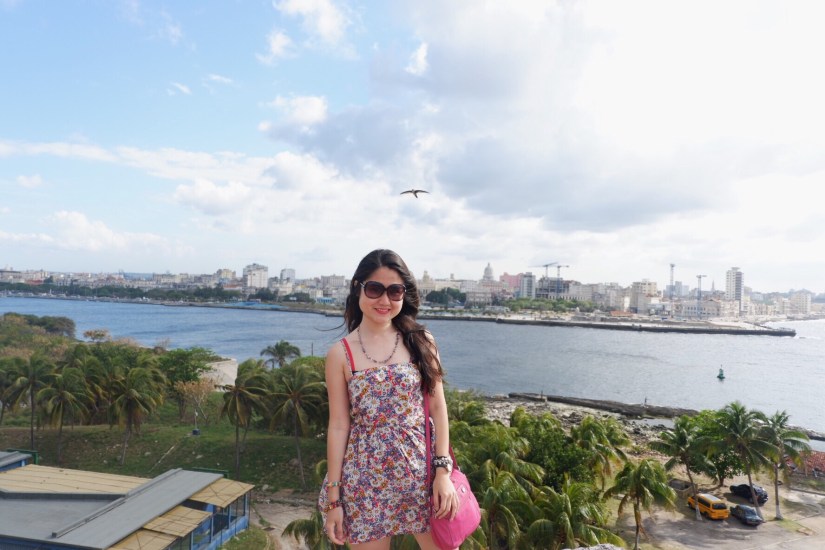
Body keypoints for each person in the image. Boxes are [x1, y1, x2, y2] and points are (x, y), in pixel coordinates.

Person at [319, 249, 459, 549]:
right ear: (357, 288)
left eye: (394, 291)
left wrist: (442, 472)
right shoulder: (340, 354)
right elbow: (339, 426)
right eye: (375, 289)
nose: (384, 300)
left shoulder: (421, 341)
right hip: (365, 481)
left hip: (422, 476)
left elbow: (438, 408)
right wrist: (334, 500)